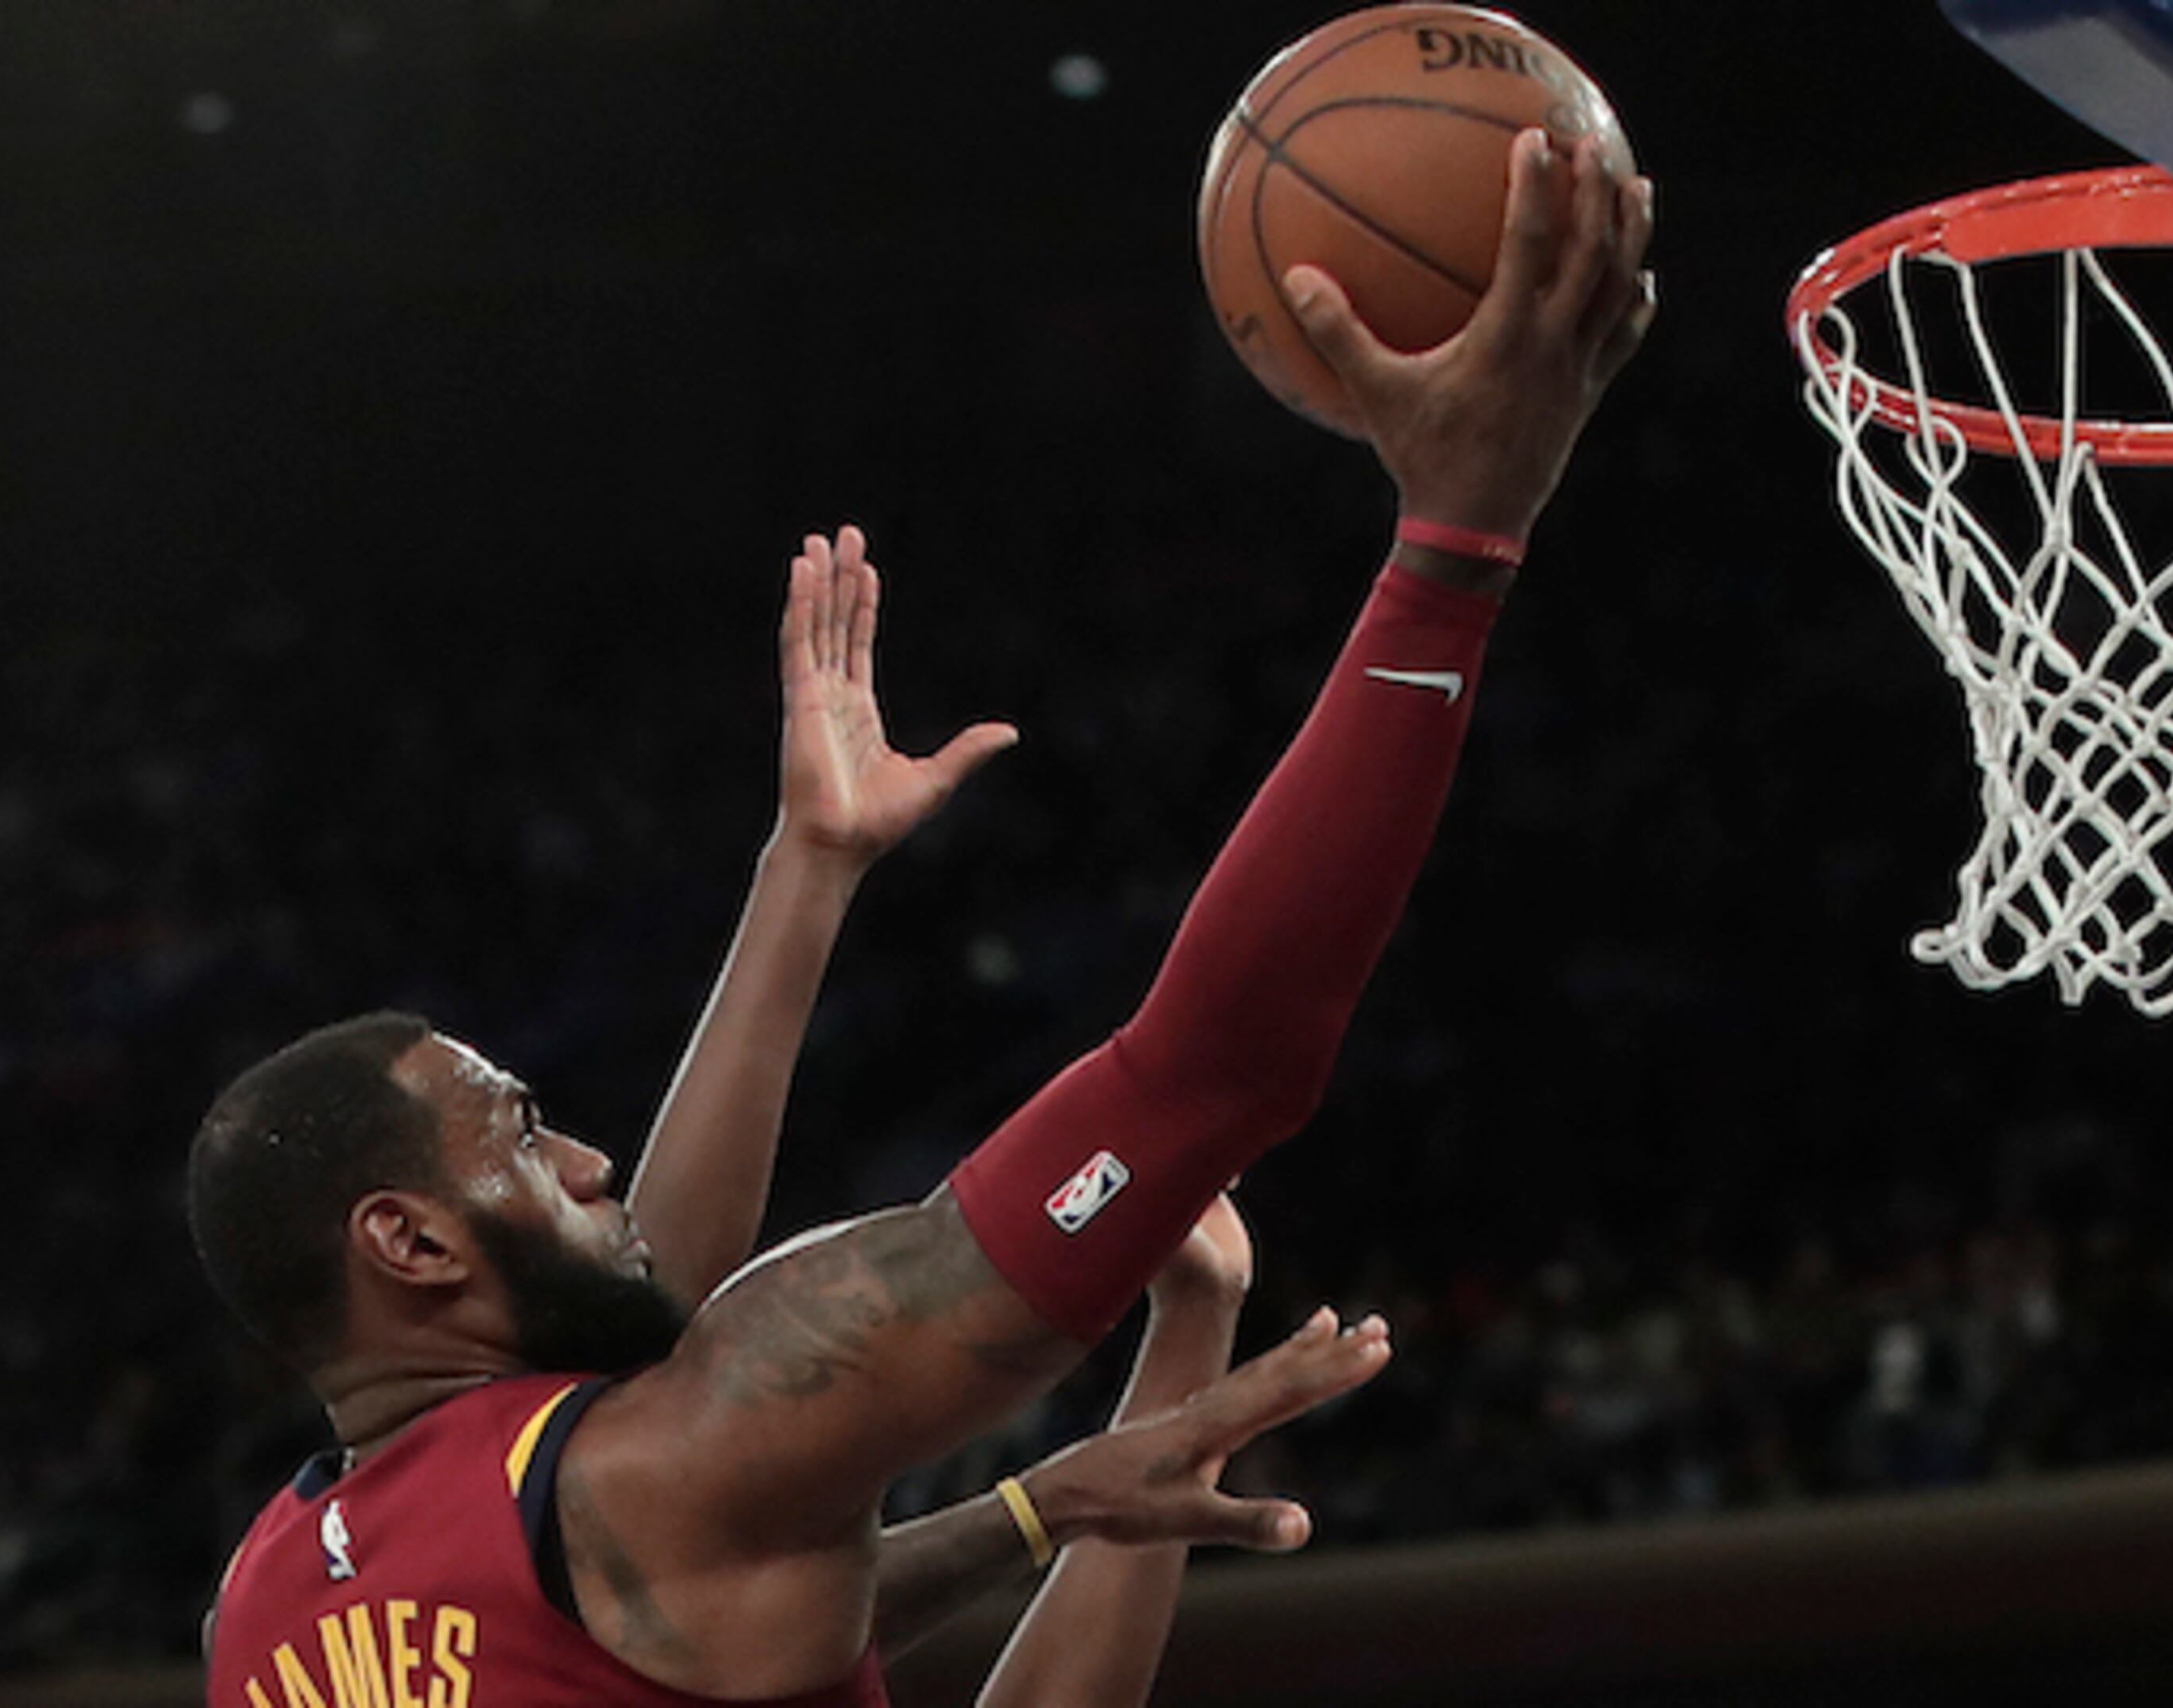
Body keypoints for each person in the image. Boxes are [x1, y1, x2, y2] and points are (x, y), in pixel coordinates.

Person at [191, 127, 1656, 1706]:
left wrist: (806, 872)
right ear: (407, 1240)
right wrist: (1453, 547)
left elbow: (679, 1433)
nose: (585, 1156)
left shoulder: (265, 1610)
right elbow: (1211, 1075)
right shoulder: (670, 1474)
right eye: (520, 1130)